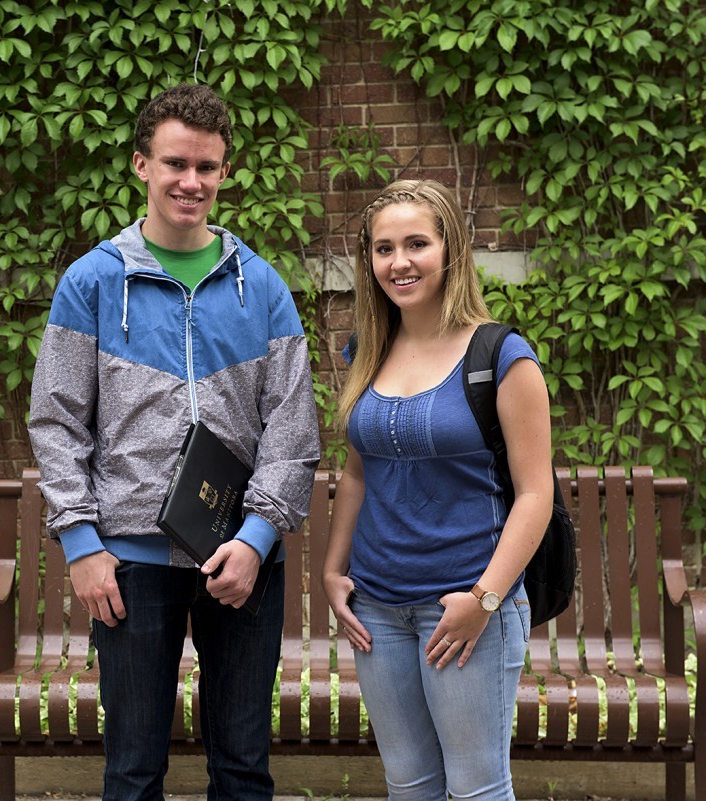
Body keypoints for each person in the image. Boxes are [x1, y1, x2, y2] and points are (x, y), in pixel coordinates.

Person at [28, 83, 321, 801]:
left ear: (226, 172)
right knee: (132, 772)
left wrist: (256, 539)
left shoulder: (265, 287)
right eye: (175, 163)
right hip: (128, 562)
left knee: (245, 768)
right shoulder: (92, 282)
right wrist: (82, 544)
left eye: (208, 167)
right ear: (141, 165)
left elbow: (293, 431)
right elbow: (56, 421)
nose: (191, 182)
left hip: (242, 559)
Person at [322, 179, 553, 801]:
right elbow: (357, 472)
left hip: (465, 607)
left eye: (417, 244)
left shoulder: (502, 355)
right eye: (382, 248)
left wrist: (484, 598)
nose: (399, 262)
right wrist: (333, 569)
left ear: (450, 250)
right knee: (410, 785)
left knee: (476, 788)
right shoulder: (366, 351)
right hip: (378, 611)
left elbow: (536, 494)